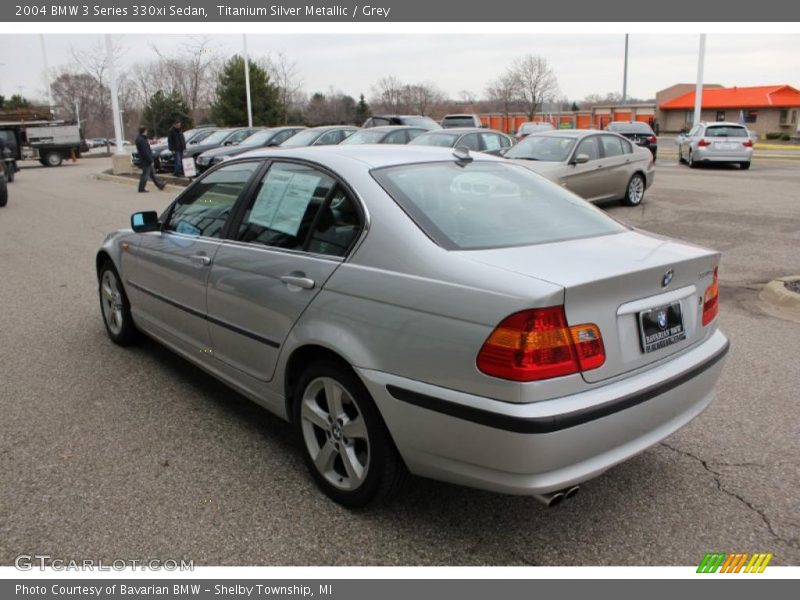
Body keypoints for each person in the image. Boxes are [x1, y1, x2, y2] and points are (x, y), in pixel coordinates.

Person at [135, 127, 165, 193]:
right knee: (145, 175)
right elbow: (145, 151)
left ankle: (160, 185)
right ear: (144, 131)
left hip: (144, 159)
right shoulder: (142, 140)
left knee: (152, 174)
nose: (147, 132)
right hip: (146, 160)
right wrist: (150, 160)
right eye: (146, 131)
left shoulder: (140, 139)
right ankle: (141, 188)